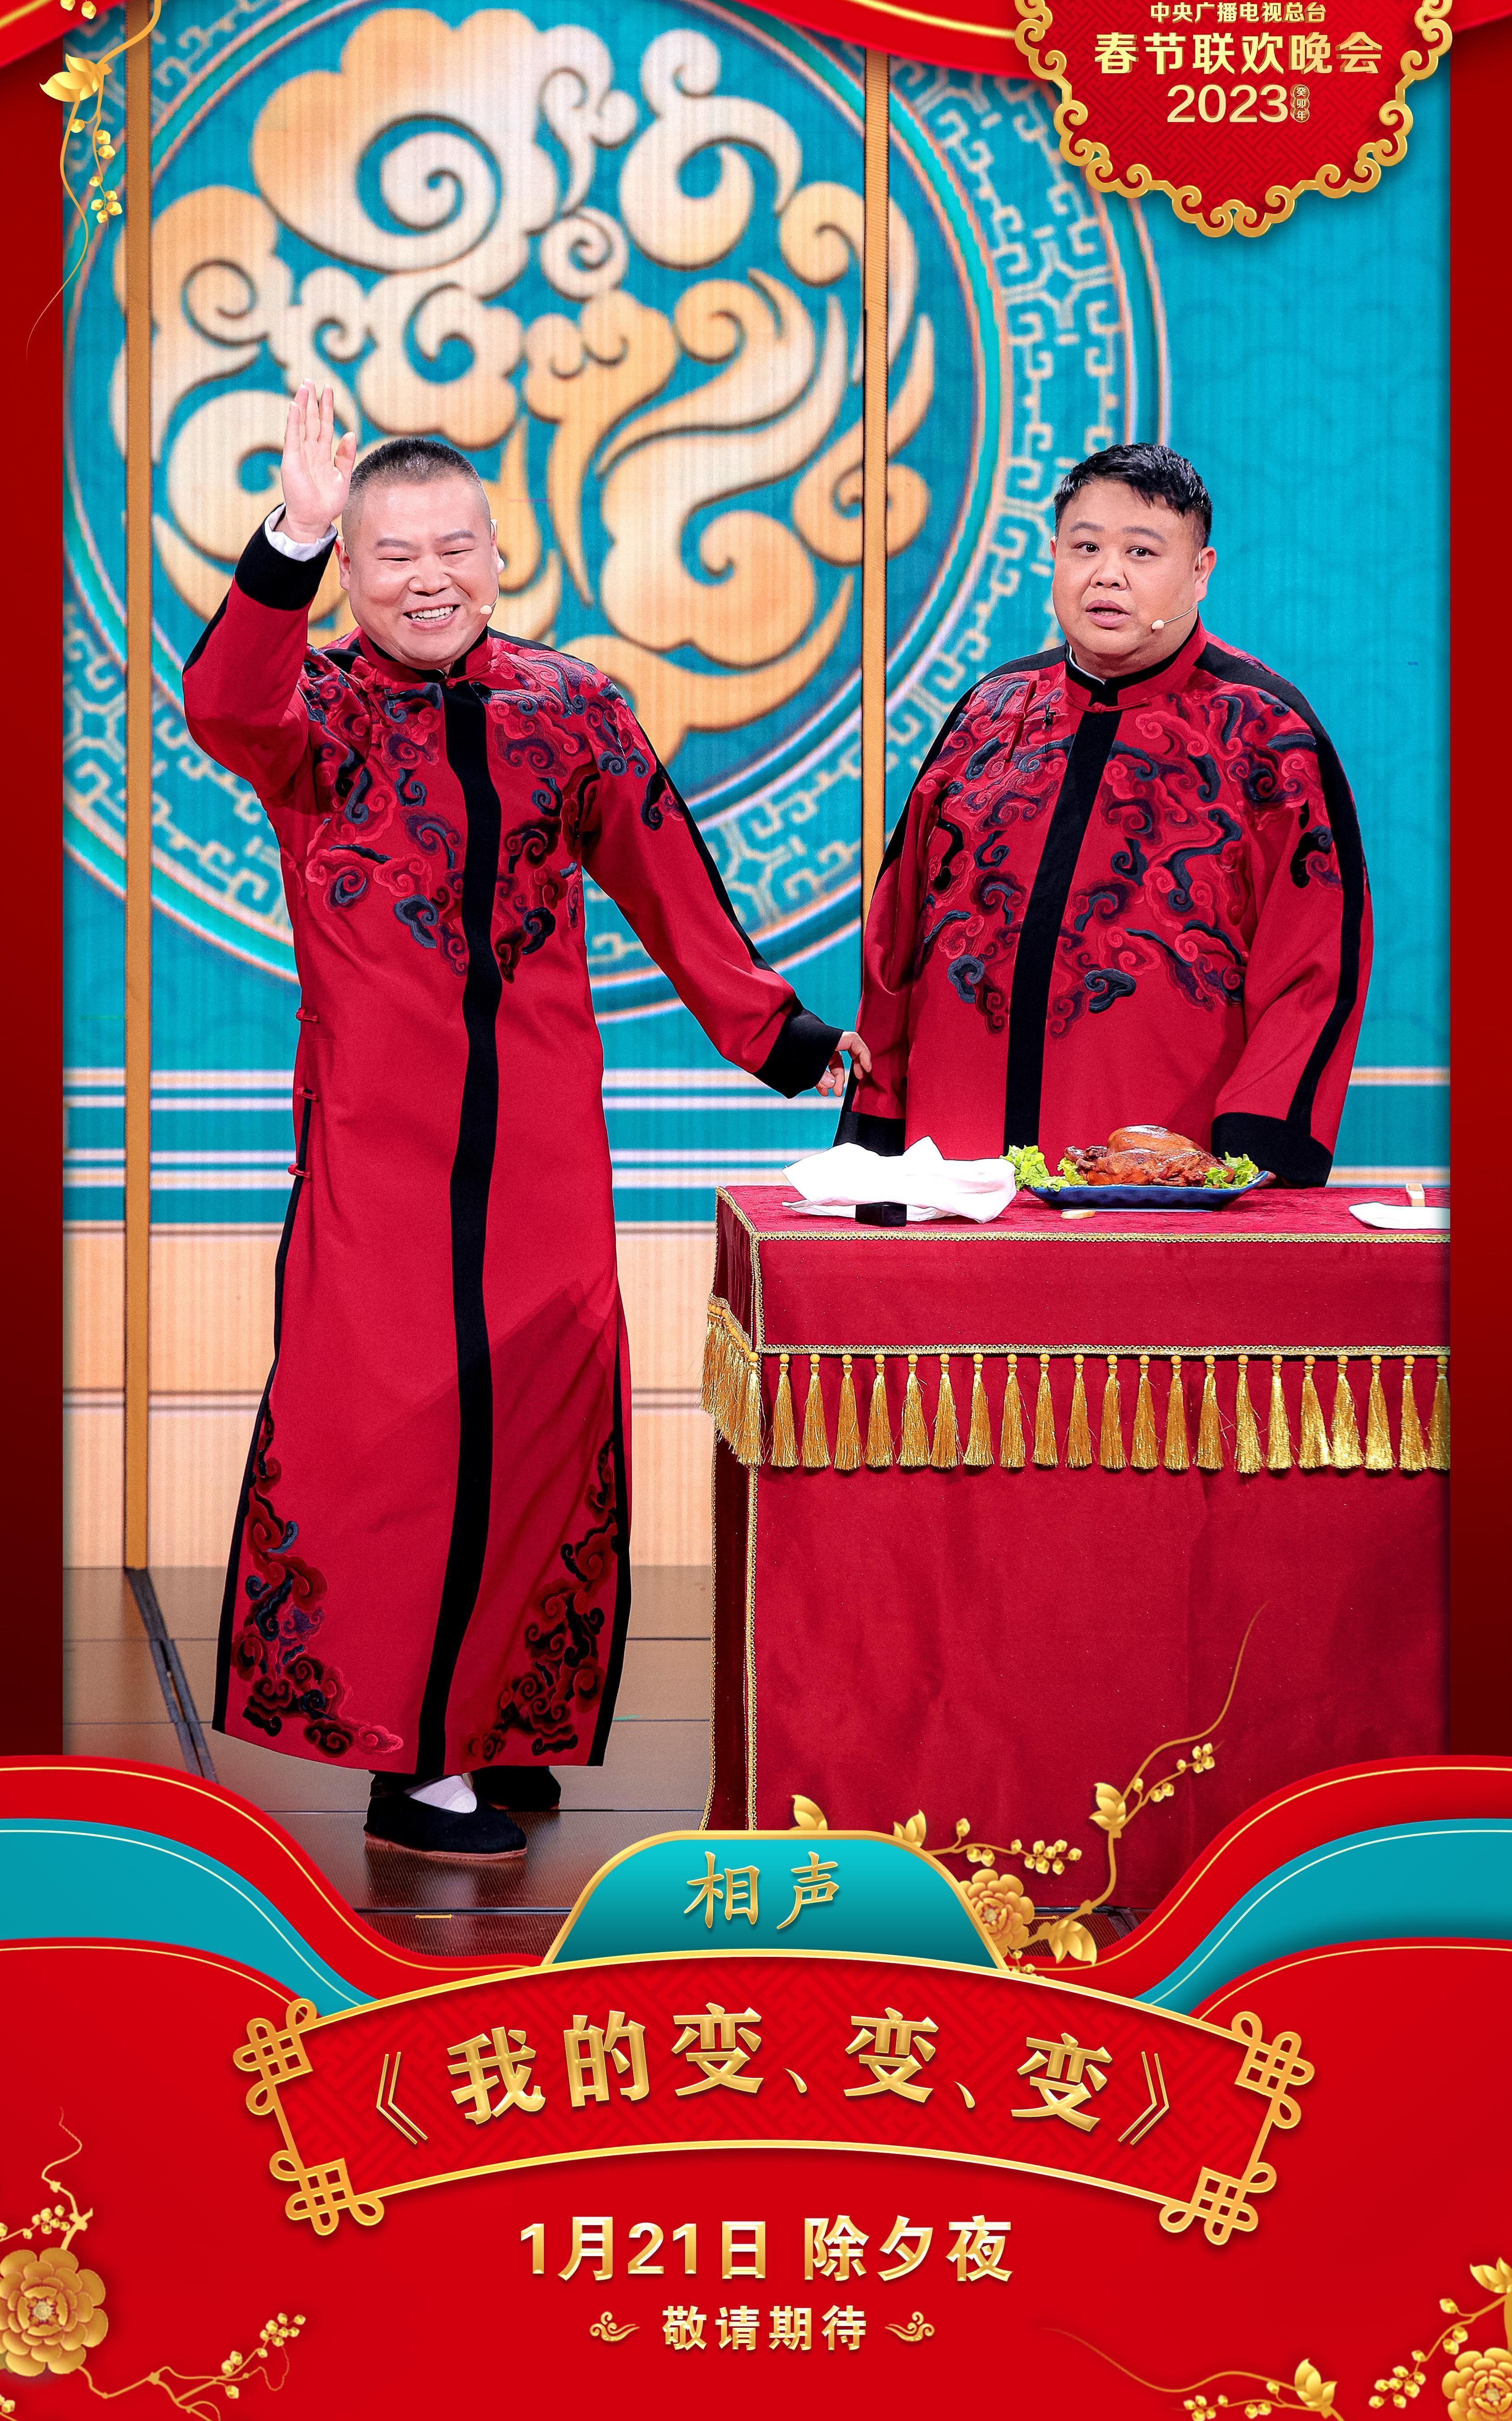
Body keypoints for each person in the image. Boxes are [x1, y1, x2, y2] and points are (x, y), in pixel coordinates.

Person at [184, 384, 868, 1858]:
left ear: (500, 556)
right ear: (350, 571)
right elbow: (224, 703)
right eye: (390, 554)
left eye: (456, 549)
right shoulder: (314, 719)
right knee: (401, 1431)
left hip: (546, 1138)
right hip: (380, 1148)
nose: (429, 579)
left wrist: (786, 1037)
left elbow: (671, 883)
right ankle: (411, 1760)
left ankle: (496, 1721)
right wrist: (288, 532)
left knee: (545, 1416)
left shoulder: (572, 708)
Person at [836, 442, 1370, 1180]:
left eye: (1141, 552)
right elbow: (896, 942)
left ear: (1201, 571)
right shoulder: (987, 714)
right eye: (1085, 547)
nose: (1107, 574)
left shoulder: (1267, 733)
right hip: (952, 1174)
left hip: (1162, 1190)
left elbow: (1315, 969)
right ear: (1054, 554)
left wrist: (1254, 1163)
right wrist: (875, 1138)